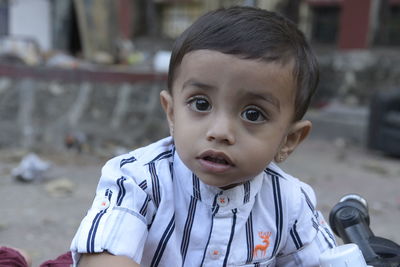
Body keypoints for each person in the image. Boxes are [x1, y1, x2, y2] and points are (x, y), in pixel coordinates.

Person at [70, 6, 336, 267]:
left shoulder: (289, 202)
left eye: (253, 114)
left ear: (288, 140)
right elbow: (102, 258)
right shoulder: (139, 180)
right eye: (201, 104)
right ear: (172, 114)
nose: (219, 131)